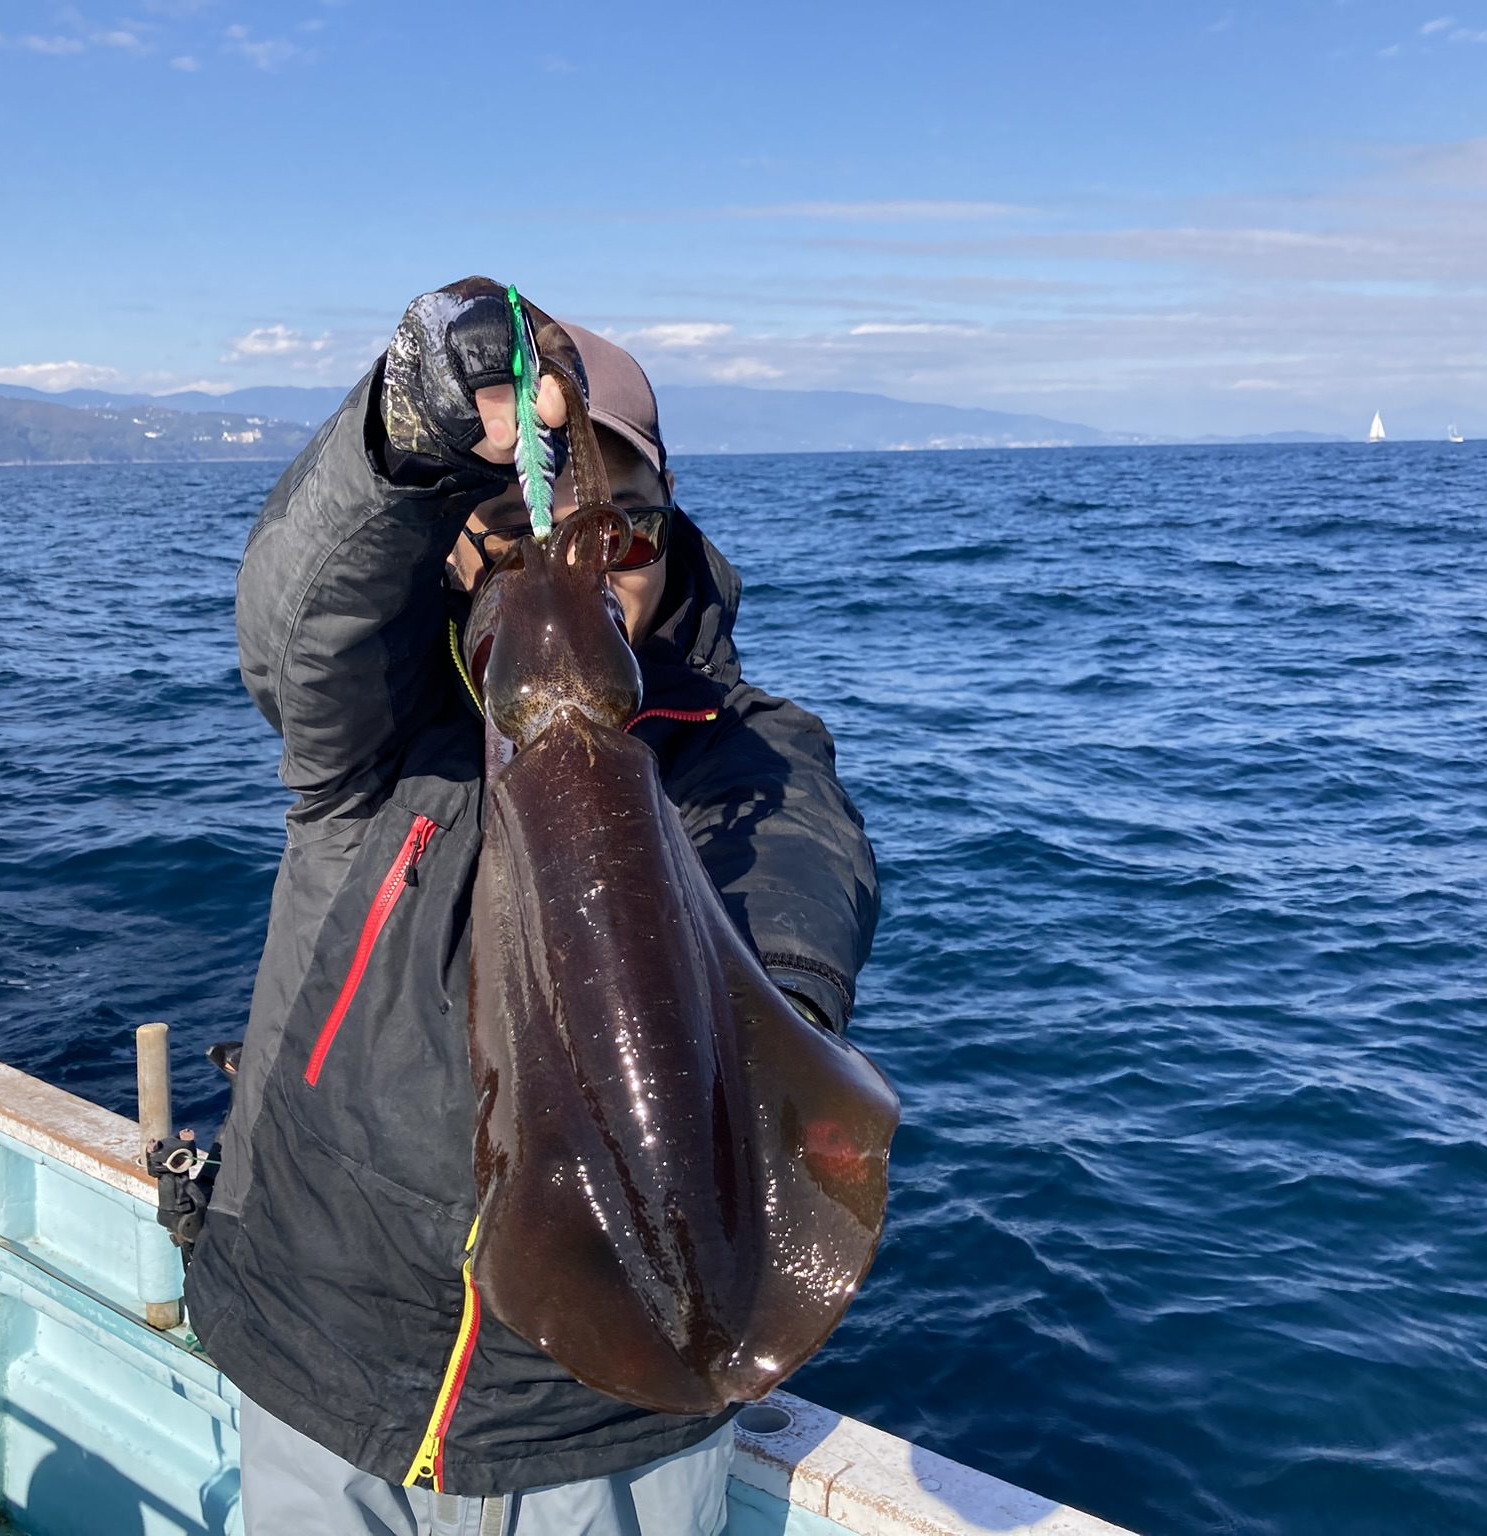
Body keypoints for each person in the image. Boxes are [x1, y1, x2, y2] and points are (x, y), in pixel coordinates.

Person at [187, 278, 880, 1535]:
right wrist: (403, 435)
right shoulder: (379, 739)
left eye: (617, 535)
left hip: (598, 1420)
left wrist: (772, 1016)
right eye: (514, 528)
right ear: (454, 548)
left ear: (668, 550)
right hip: (319, 1353)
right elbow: (298, 634)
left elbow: (793, 888)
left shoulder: (743, 752)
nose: (571, 560)